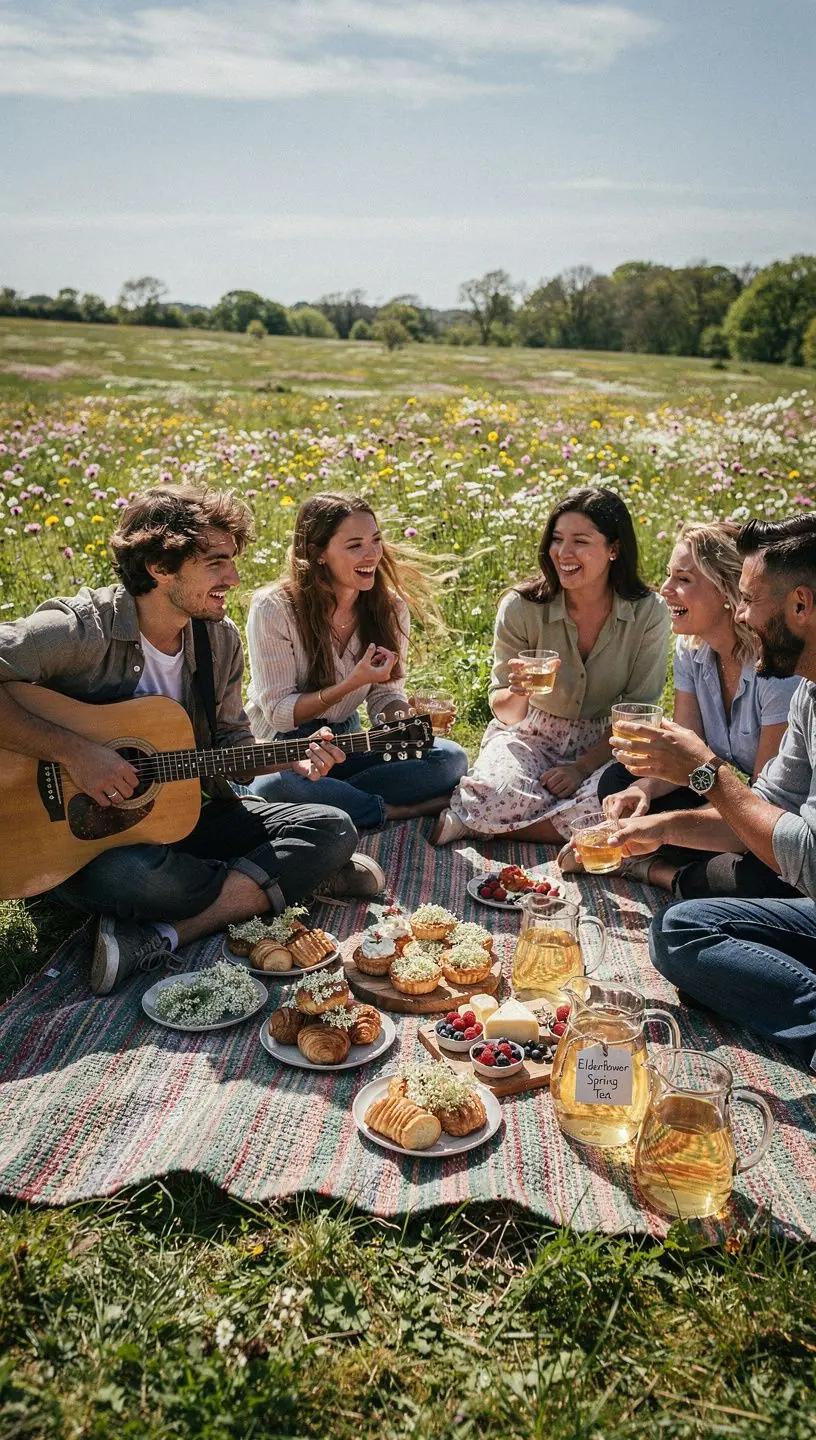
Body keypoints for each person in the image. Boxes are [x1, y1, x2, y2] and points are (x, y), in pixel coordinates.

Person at [0, 484, 382, 996]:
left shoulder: (219, 640)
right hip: (78, 841)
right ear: (160, 567)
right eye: (216, 562)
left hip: (180, 820)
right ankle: (274, 883)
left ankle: (164, 933)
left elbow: (232, 746)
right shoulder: (79, 629)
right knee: (150, 878)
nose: (234, 578)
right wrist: (74, 751)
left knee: (333, 828)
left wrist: (293, 758)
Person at [611, 514, 816, 1070]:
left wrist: (704, 771)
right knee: (680, 930)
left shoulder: (785, 683)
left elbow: (804, 859)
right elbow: (763, 813)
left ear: (800, 605)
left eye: (748, 599)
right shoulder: (808, 696)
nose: (744, 614)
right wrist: (653, 829)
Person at [432, 486, 671, 845]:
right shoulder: (521, 607)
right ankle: (559, 826)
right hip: (531, 733)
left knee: (612, 803)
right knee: (495, 790)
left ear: (614, 549)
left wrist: (581, 768)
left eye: (580, 541)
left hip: (606, 741)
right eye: (557, 539)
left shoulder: (648, 613)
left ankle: (475, 822)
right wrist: (518, 692)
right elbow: (506, 715)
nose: (563, 553)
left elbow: (639, 713)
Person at [586, 522, 800, 896]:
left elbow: (762, 806)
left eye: (683, 579)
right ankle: (682, 856)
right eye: (669, 576)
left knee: (739, 872)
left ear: (726, 592)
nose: (666, 590)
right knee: (618, 782)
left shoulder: (775, 671)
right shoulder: (693, 651)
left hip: (775, 813)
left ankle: (659, 872)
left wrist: (668, 820)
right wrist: (646, 790)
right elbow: (686, 754)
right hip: (732, 793)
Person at [246, 493, 468, 829]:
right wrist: (351, 683)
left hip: (347, 744)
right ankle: (394, 810)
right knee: (274, 786)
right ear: (318, 554)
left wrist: (404, 721)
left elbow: (383, 696)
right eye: (355, 546)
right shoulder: (274, 607)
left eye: (376, 540)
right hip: (284, 748)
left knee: (450, 759)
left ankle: (333, 799)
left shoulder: (389, 608)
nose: (372, 554)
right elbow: (279, 715)